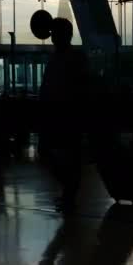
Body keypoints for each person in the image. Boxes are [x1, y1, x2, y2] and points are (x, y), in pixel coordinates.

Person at [38, 18, 89, 212]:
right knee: (64, 156)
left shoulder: (68, 58)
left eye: (56, 33)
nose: (53, 37)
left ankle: (69, 192)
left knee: (64, 156)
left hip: (66, 115)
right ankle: (69, 191)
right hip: (61, 115)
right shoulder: (69, 57)